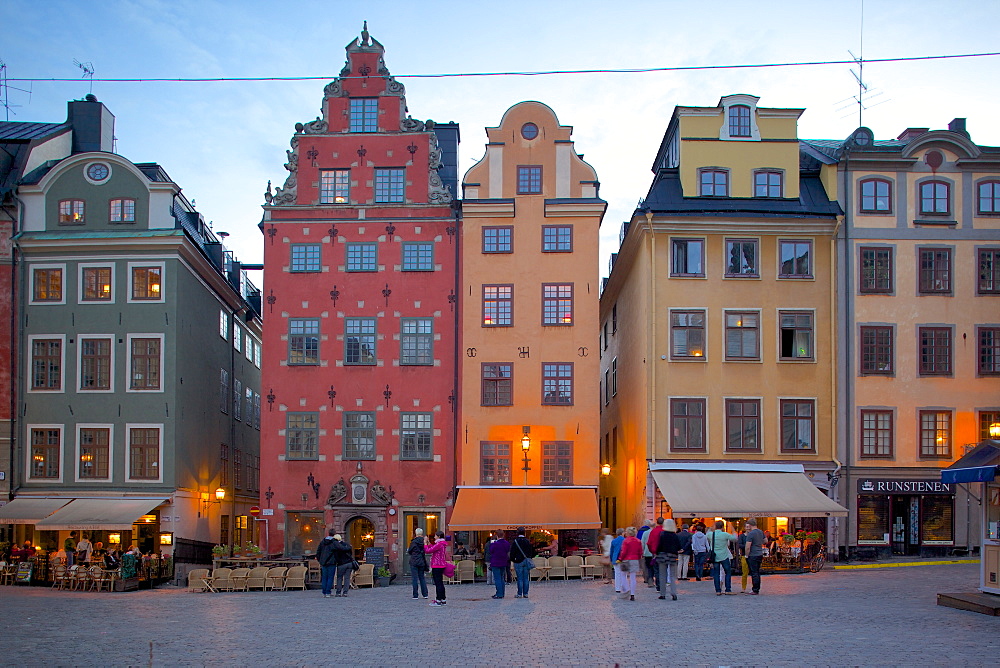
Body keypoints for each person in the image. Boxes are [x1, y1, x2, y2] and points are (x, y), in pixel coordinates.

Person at [708, 520, 736, 595]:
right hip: (724, 556)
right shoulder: (725, 534)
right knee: (728, 572)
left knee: (716, 573)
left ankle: (718, 590)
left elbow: (707, 533)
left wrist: (711, 527)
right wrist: (732, 528)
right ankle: (728, 589)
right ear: (723, 527)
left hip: (715, 556)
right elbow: (734, 538)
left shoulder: (711, 534)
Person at [655, 519, 680, 601]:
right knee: (673, 575)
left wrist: (657, 553)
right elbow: (679, 546)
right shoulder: (675, 535)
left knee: (662, 575)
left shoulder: (662, 534)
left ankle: (662, 594)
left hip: (662, 555)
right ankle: (673, 592)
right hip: (672, 556)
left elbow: (659, 545)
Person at [509, 527, 535, 599]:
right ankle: (526, 593)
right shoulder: (527, 541)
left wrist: (512, 560)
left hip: (518, 561)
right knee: (526, 578)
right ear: (525, 533)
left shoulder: (515, 541)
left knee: (520, 578)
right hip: (526, 561)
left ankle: (519, 593)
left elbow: (512, 552)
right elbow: (531, 552)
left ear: (517, 533)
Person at [424, 531, 449, 606]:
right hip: (441, 565)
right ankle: (443, 599)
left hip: (437, 565)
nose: (434, 537)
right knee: (440, 583)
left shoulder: (439, 544)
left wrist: (425, 544)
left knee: (438, 583)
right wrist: (428, 543)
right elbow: (433, 547)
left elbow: (428, 551)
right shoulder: (442, 544)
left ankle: (438, 600)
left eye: (435, 536)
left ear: (438, 536)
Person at [618, 527, 642, 601]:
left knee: (623, 574)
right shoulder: (638, 541)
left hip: (626, 559)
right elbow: (640, 551)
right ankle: (632, 594)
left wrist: (620, 558)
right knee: (633, 577)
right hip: (635, 559)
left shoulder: (626, 541)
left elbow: (624, 551)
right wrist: (638, 558)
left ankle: (627, 588)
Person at [316, 529, 340, 598]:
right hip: (331, 562)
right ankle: (328, 592)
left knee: (324, 578)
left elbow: (318, 552)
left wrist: (320, 560)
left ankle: (324, 592)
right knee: (330, 578)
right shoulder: (334, 542)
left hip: (323, 562)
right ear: (334, 534)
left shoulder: (322, 542)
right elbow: (338, 551)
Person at [744, 518, 765, 595]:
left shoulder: (751, 534)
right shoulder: (760, 532)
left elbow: (747, 546)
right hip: (759, 553)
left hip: (753, 554)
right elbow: (765, 541)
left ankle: (755, 589)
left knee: (754, 572)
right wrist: (759, 543)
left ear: (749, 525)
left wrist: (746, 555)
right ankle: (756, 588)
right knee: (757, 571)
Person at [407, 528, 429, 600]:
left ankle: (415, 595)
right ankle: (425, 594)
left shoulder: (413, 542)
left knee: (414, 578)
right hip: (421, 561)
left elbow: (409, 551)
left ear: (416, 533)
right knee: (422, 578)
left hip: (414, 561)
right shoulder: (424, 542)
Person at [488, 530, 511, 599]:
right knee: (502, 578)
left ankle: (499, 593)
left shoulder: (495, 544)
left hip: (495, 562)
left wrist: (492, 543)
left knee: (497, 578)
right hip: (504, 562)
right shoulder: (507, 543)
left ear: (497, 535)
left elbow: (491, 551)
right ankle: (502, 593)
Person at [645, 517, 665, 590]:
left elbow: (649, 543)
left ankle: (658, 585)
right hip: (664, 553)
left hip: (655, 553)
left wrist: (652, 551)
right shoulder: (665, 530)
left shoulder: (653, 531)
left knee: (656, 570)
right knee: (664, 570)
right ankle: (663, 584)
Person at [636, 519, 654, 586]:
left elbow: (640, 542)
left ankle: (646, 578)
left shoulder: (640, 531)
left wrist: (641, 551)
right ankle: (651, 578)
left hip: (645, 551)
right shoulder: (651, 531)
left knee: (645, 566)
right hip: (652, 551)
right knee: (652, 566)